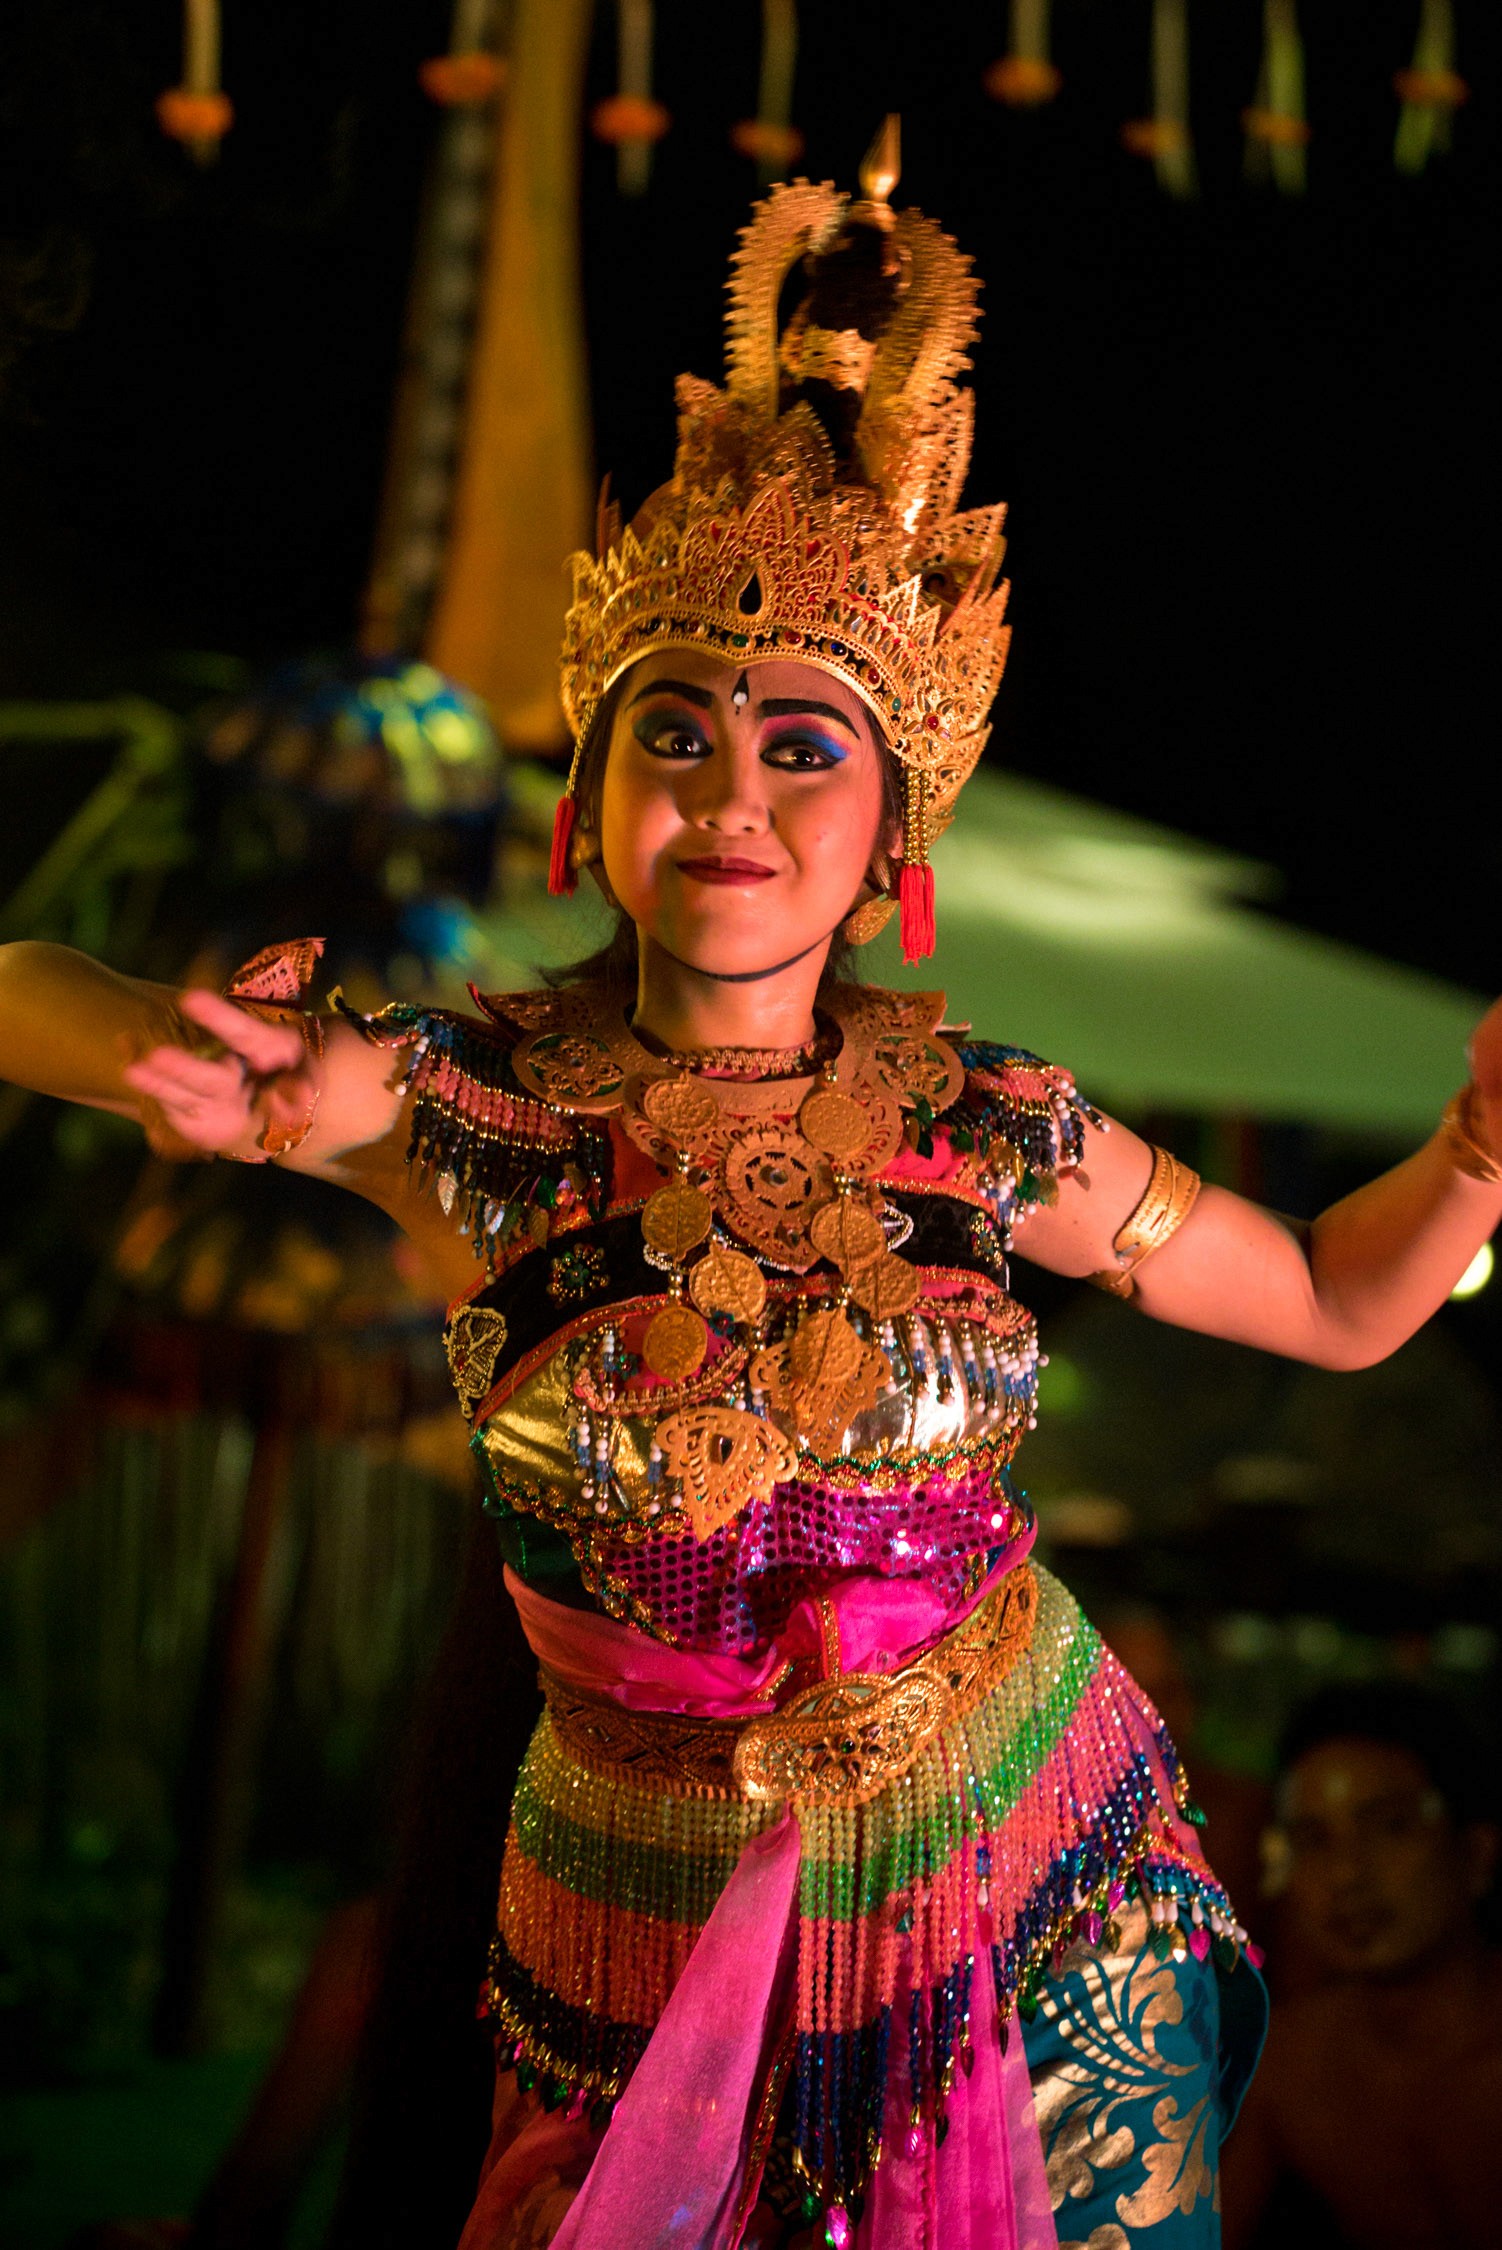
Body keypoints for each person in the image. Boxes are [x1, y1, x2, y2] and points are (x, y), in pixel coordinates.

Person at [3, 142, 1500, 2250]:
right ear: (589, 793)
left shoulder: (990, 1124)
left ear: (894, 825)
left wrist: (1473, 1155)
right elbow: (22, 987)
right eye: (675, 736)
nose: (730, 794)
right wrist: (161, 1048)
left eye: (803, 747)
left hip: (1024, 1899)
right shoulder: (471, 1107)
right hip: (641, 1916)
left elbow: (1339, 1301)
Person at [1222, 1684, 1502, 2250]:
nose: (1347, 1875)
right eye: (1313, 1841)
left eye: (1390, 1826)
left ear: (1475, 1853)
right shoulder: (1292, 2063)